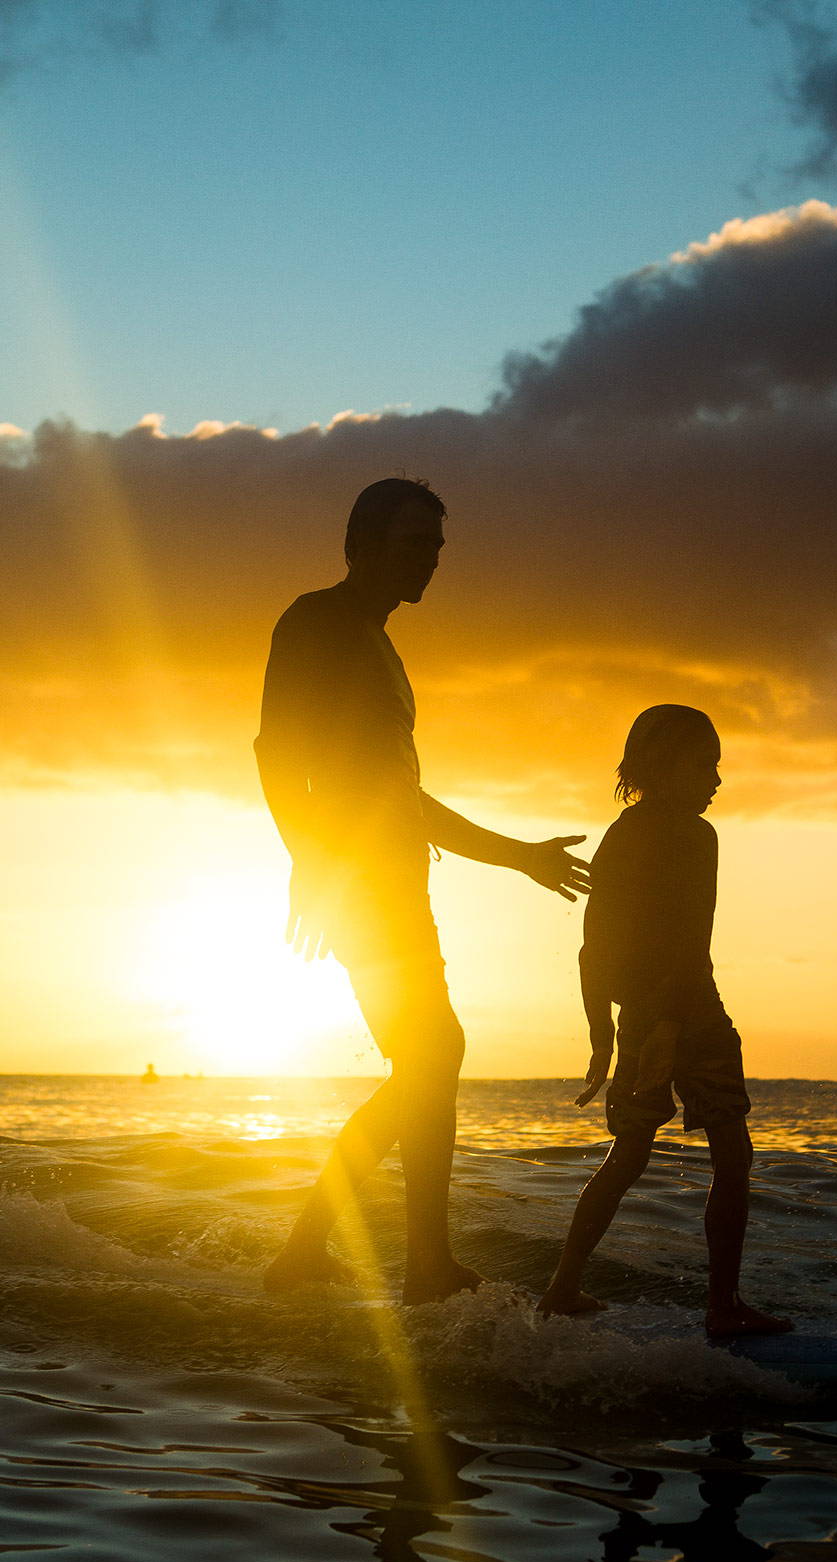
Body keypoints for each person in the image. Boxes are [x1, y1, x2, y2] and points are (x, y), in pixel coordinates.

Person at [256, 476, 589, 1302]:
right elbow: (274, 753)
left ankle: (308, 1255)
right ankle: (423, 1266)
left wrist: (520, 856)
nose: (431, 561)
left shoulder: (382, 647)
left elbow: (401, 795)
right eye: (415, 543)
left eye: (438, 547)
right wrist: (312, 862)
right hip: (359, 879)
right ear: (360, 542)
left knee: (425, 1059)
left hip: (396, 878)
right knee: (433, 1053)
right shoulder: (316, 622)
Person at [539, 705, 791, 1336]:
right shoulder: (693, 836)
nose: (716, 779)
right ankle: (723, 1308)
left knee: (628, 1155)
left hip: (642, 1019)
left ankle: (562, 1289)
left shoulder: (622, 834)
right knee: (732, 1156)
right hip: (690, 1016)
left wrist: (604, 1035)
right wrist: (675, 1026)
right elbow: (688, 942)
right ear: (666, 765)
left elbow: (592, 948)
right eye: (706, 764)